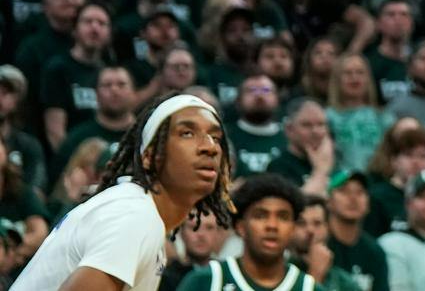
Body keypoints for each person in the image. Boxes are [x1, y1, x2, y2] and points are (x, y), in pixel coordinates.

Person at [10, 94, 232, 291]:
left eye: (216, 137)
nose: (210, 146)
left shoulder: (139, 211)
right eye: (187, 133)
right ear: (150, 156)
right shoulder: (134, 216)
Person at [172, 174, 312, 291]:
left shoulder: (309, 287)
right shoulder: (204, 282)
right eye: (260, 216)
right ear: (240, 227)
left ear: (293, 228)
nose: (272, 226)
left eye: (283, 217)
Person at [324, 170, 391, 291]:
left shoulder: (375, 252)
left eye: (360, 192)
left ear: (368, 203)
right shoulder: (319, 244)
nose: (353, 198)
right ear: (328, 201)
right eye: (344, 191)